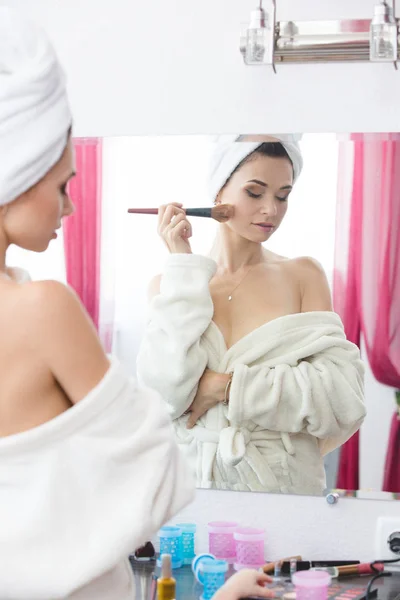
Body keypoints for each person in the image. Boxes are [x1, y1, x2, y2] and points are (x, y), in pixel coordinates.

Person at [0, 7, 194, 599]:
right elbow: (160, 479)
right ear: (15, 174)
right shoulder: (42, 308)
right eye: (62, 185)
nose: (70, 207)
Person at [136, 134, 366, 495]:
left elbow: (341, 398)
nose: (271, 210)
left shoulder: (303, 275)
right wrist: (181, 262)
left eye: (283, 195)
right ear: (218, 195)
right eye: (255, 193)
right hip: (192, 490)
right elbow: (166, 394)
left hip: (284, 487)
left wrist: (229, 388)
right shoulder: (170, 284)